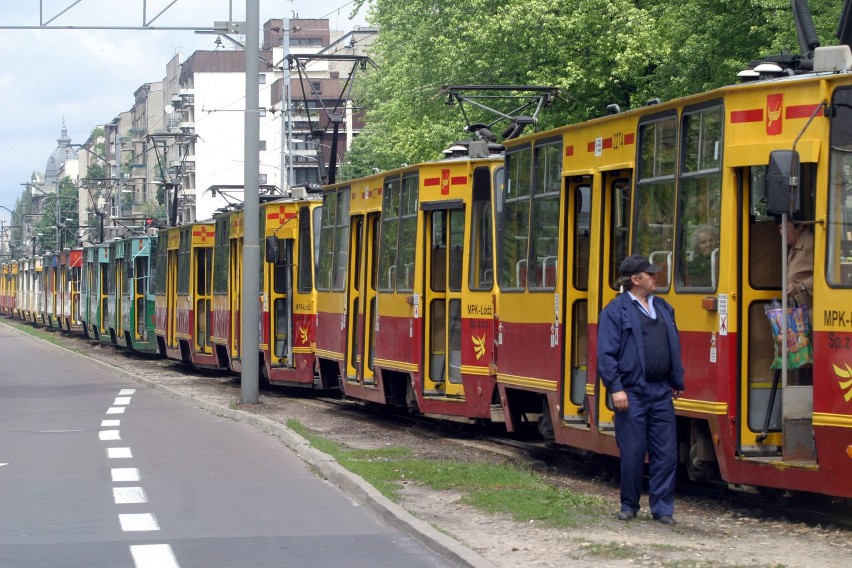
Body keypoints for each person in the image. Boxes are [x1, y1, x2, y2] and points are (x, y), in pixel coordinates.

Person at [596, 254, 685, 525]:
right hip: (631, 392)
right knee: (634, 452)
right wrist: (616, 388)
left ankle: (662, 509)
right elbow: (606, 354)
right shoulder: (614, 311)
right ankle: (629, 504)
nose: (656, 277)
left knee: (666, 453)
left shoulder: (664, 308)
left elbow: (672, 345)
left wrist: (676, 380)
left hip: (660, 391)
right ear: (635, 280)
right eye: (650, 274)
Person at [779, 212, 813, 307]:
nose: (782, 233)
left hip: (812, 311)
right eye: (780, 228)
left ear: (800, 227)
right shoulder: (794, 247)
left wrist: (801, 286)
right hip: (799, 311)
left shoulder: (810, 245)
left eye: (785, 227)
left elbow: (825, 276)